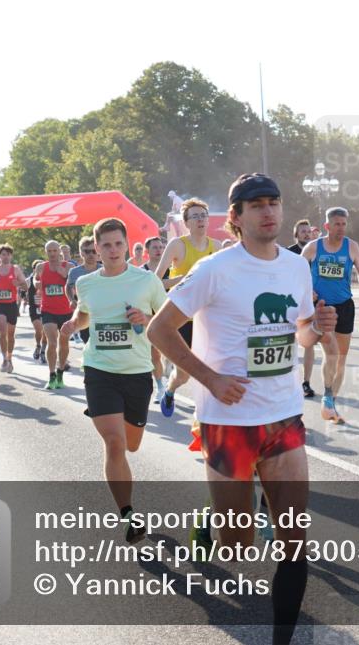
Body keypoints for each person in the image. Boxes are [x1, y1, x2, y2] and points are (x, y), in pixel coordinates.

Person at [148, 173, 336, 645]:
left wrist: (319, 328)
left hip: (283, 415)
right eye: (256, 205)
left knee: (294, 542)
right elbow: (159, 330)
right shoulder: (214, 268)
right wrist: (209, 377)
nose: (268, 211)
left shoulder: (296, 267)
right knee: (238, 543)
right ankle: (215, 519)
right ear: (235, 217)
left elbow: (301, 333)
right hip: (227, 421)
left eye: (273, 202)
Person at [60, 218, 167, 544]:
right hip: (99, 370)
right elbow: (85, 313)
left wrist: (145, 318)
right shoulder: (87, 284)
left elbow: (167, 320)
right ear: (96, 248)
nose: (113, 250)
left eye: (118, 243)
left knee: (131, 444)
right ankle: (129, 515)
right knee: (114, 442)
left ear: (126, 244)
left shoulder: (146, 280)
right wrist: (73, 324)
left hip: (136, 372)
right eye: (105, 245)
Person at [301, 207, 359, 424]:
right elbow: (295, 272)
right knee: (331, 353)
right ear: (327, 226)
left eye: (344, 224)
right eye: (337, 224)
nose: (341, 228)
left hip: (344, 306)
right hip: (322, 307)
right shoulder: (313, 248)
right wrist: (308, 291)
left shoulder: (351, 247)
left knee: (341, 359)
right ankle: (326, 393)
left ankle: (331, 402)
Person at [154, 198, 221, 417]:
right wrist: (181, 280)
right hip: (180, 318)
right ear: (186, 222)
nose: (201, 220)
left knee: (213, 366)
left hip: (207, 318)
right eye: (195, 216)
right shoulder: (177, 245)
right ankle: (171, 390)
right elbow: (156, 282)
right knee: (183, 375)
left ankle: (207, 413)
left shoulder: (217, 247)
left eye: (203, 215)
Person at [35, 241, 74, 389]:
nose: (52, 254)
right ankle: (51, 375)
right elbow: (35, 279)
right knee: (52, 342)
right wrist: (36, 283)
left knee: (64, 344)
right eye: (49, 251)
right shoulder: (41, 267)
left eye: (54, 251)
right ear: (46, 252)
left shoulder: (69, 266)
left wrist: (64, 275)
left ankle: (60, 373)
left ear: (59, 251)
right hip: (48, 310)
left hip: (65, 310)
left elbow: (74, 284)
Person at [0, 244, 27, 374]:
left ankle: (9, 357)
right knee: (2, 331)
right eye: (3, 254)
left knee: (10, 334)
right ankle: (4, 359)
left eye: (8, 254)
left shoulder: (16, 269)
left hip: (11, 304)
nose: (5, 256)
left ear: (11, 256)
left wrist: (18, 283)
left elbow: (25, 286)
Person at [288, 219, 318, 398]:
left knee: (309, 342)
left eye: (308, 231)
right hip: (292, 304)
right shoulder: (288, 254)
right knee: (290, 344)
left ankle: (306, 382)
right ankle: (290, 381)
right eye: (302, 231)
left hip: (313, 303)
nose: (306, 234)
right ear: (296, 234)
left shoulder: (318, 252)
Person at [142, 236, 169, 400]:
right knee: (154, 354)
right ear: (147, 251)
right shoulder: (141, 271)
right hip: (148, 317)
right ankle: (159, 387)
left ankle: (168, 369)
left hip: (169, 315)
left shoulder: (171, 268)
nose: (159, 250)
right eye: (155, 247)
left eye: (161, 247)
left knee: (163, 354)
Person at [66, 237, 101, 347]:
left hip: (101, 312)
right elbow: (68, 286)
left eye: (94, 251)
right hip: (83, 312)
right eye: (87, 251)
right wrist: (71, 299)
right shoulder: (74, 272)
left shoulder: (104, 269)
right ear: (81, 253)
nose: (91, 254)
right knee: (87, 340)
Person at [27, 259, 46, 363]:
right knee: (39, 330)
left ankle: (43, 349)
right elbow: (22, 287)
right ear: (34, 269)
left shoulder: (47, 279)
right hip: (34, 309)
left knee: (46, 331)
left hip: (46, 308)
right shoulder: (29, 280)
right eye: (38, 268)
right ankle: (38, 345)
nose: (40, 270)